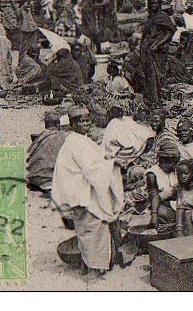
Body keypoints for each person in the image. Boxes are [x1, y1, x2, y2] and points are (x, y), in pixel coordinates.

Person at [52, 117, 124, 281]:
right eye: (83, 121)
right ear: (74, 124)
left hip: (84, 190)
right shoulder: (75, 143)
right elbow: (91, 169)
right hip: (83, 193)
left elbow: (94, 161)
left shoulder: (81, 140)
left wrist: (105, 160)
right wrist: (111, 165)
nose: (88, 123)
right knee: (91, 230)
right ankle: (94, 269)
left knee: (88, 230)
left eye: (87, 120)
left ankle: (90, 265)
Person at [139, 0, 176, 104]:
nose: (153, 5)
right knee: (149, 74)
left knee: (157, 75)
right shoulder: (151, 17)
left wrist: (158, 44)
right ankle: (151, 98)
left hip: (157, 51)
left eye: (155, 3)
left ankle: (157, 99)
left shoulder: (162, 16)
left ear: (159, 4)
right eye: (151, 3)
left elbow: (170, 33)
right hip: (148, 50)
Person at [26, 111, 72, 192]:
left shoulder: (40, 137)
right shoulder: (60, 136)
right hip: (47, 179)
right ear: (58, 124)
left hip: (31, 177)